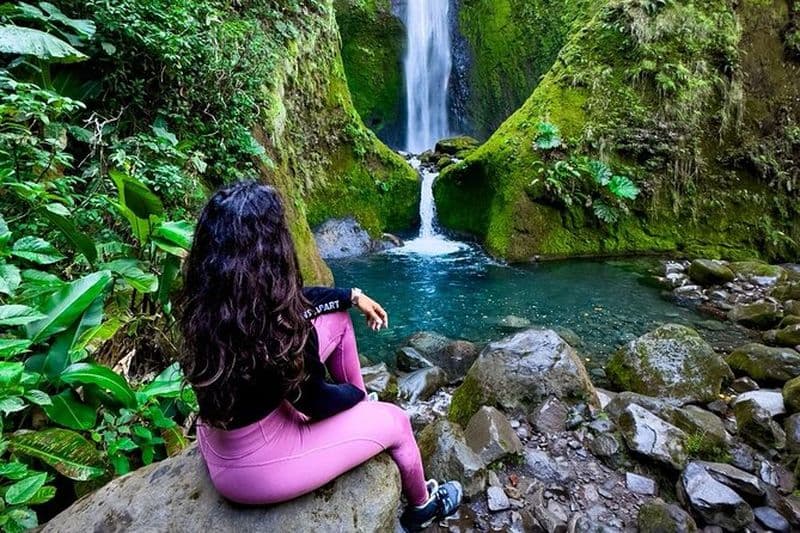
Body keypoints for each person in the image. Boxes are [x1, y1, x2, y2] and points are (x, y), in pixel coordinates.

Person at [178, 180, 462, 531]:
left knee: (338, 317)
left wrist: (351, 295)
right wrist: (356, 396)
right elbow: (316, 402)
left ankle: (360, 413)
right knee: (398, 423)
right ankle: (422, 507)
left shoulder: (207, 302)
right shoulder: (282, 332)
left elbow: (293, 299)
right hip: (256, 466)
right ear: (271, 250)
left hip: (219, 437)